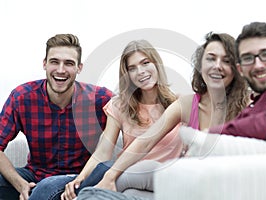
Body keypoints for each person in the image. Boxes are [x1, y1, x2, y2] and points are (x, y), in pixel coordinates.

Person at [76, 32, 250, 200]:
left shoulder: (248, 105)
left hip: (215, 184)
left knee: (125, 177)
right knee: (126, 188)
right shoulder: (187, 104)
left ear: (237, 68)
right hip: (178, 181)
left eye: (226, 60)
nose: (216, 66)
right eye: (210, 59)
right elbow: (146, 141)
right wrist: (109, 176)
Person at [60, 39, 184, 200]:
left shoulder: (179, 104)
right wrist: (80, 178)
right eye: (132, 68)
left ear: (157, 64)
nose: (140, 71)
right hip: (126, 178)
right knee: (125, 192)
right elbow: (103, 151)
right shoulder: (120, 106)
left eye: (145, 63)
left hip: (161, 180)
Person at [0, 34, 113, 200]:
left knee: (47, 188)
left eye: (69, 63)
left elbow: (133, 117)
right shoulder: (22, 97)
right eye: (54, 62)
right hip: (35, 175)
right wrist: (20, 184)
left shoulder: (100, 99)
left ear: (79, 68)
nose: (61, 70)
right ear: (44, 64)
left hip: (80, 178)